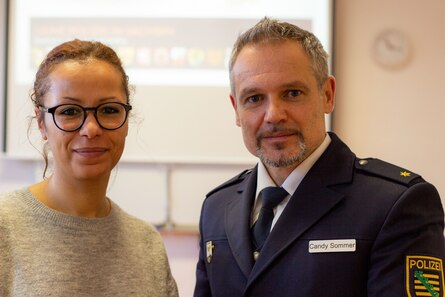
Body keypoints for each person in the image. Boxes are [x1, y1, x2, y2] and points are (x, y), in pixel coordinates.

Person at [193, 17, 445, 297]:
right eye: (254, 98)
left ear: (327, 94)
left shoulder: (394, 203)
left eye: (292, 93)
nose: (274, 115)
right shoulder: (216, 208)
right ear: (236, 110)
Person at [0, 39, 178, 297]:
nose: (91, 129)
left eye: (108, 110)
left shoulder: (147, 244)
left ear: (126, 120)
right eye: (70, 111)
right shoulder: (5, 229)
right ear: (41, 123)